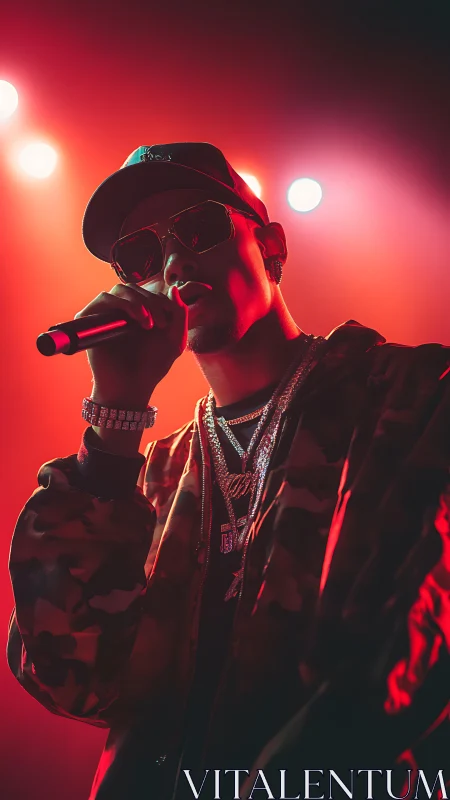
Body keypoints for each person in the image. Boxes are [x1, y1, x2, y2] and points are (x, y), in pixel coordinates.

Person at [7, 143, 450, 800]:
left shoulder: (410, 397)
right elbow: (72, 675)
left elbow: (415, 641)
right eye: (141, 255)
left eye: (198, 228)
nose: (175, 261)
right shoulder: (152, 476)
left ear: (270, 244)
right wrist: (116, 417)